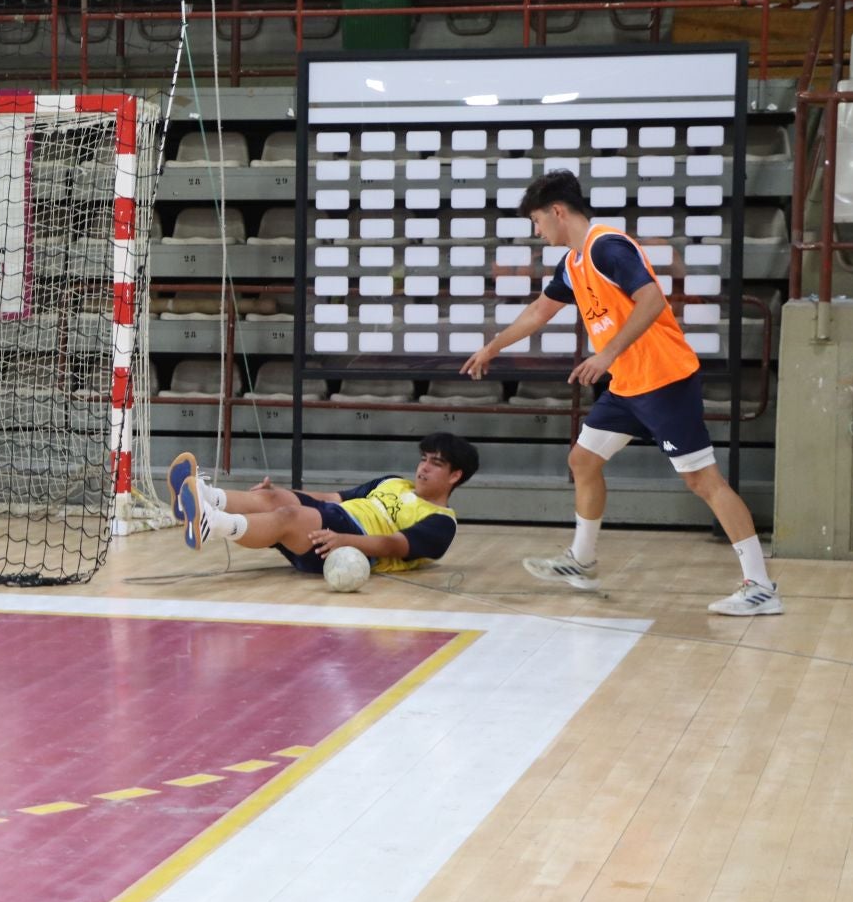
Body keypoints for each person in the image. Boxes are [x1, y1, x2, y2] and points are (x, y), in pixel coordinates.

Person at [460, 169, 780, 616]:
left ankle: (760, 586)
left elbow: (651, 300)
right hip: (628, 385)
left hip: (664, 379)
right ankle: (582, 561)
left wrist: (606, 355)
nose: (537, 231)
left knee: (702, 481)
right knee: (583, 460)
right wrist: (493, 346)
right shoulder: (572, 263)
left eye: (537, 221)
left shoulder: (607, 247)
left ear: (557, 212)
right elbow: (539, 310)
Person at [169, 433, 478, 574]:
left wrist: (344, 540)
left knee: (288, 516)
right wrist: (280, 489)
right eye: (423, 459)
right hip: (336, 516)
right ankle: (203, 497)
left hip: (348, 542)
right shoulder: (393, 482)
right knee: (276, 498)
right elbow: (333, 498)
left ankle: (213, 525)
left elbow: (392, 546)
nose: (423, 467)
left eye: (435, 464)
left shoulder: (442, 522)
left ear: (456, 476)